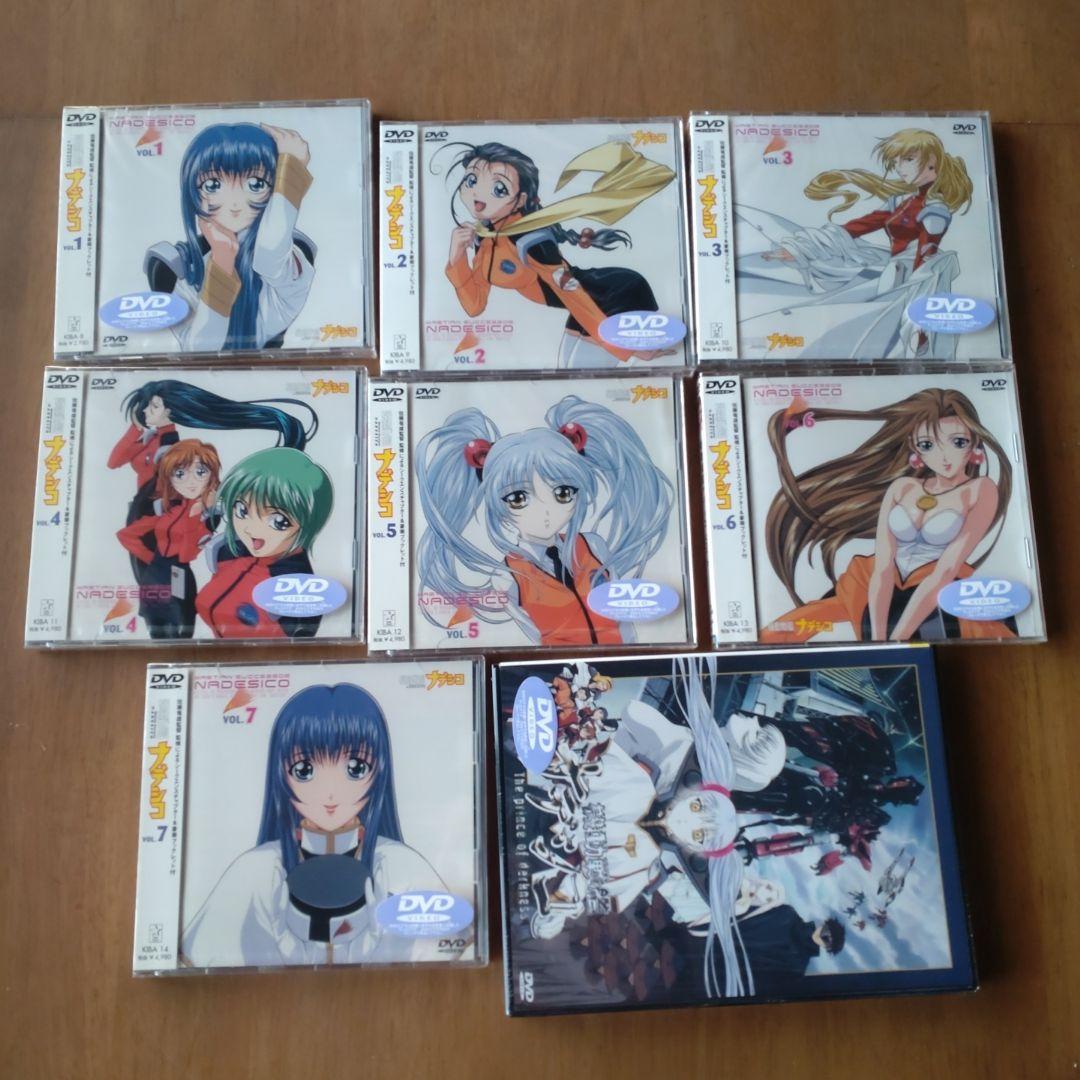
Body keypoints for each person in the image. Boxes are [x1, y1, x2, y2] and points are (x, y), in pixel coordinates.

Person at [182, 683, 450, 967]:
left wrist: (379, 951)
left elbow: (445, 948)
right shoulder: (258, 869)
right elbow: (211, 956)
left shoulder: (399, 865)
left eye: (355, 768)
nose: (330, 793)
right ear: (281, 774)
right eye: (304, 770)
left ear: (379, 770)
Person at [760, 388, 1015, 642]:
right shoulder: (902, 487)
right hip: (874, 582)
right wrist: (879, 639)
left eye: (958, 442)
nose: (944, 457)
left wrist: (896, 639)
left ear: (975, 443)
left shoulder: (980, 490)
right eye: (927, 445)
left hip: (937, 587)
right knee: (783, 630)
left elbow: (944, 571)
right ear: (914, 448)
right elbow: (883, 566)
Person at [415, 395, 673, 645]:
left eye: (563, 493)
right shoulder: (507, 577)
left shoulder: (593, 546)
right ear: (498, 503)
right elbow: (535, 638)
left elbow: (623, 616)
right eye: (518, 498)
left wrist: (631, 653)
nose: (546, 512)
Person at [439, 140, 677, 368]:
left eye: (498, 188)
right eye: (471, 180)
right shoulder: (486, 237)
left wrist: (627, 348)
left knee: (581, 373)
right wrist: (457, 257)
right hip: (588, 305)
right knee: (570, 371)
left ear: (520, 200)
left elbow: (572, 293)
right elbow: (475, 305)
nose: (477, 193)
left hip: (617, 295)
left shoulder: (531, 241)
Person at [146, 122, 316, 351]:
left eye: (256, 184)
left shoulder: (293, 259)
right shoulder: (182, 268)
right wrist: (222, 260)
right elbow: (200, 350)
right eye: (213, 185)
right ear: (192, 191)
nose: (235, 203)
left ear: (274, 189)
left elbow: (269, 255)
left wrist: (291, 170)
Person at [195, 447, 333, 639]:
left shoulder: (298, 589)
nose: (251, 529)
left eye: (278, 521)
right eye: (242, 510)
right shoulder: (228, 551)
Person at [116, 439, 220, 638]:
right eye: (180, 474)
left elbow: (188, 552)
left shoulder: (209, 517)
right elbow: (127, 535)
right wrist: (153, 559)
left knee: (181, 626)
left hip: (178, 573)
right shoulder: (170, 511)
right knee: (156, 626)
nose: (191, 481)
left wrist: (200, 511)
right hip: (155, 575)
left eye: (200, 472)